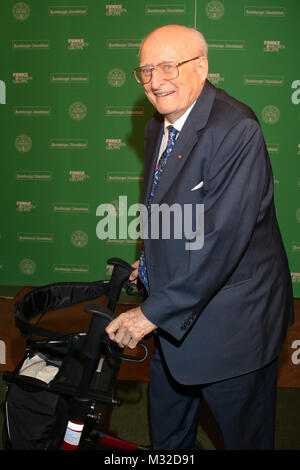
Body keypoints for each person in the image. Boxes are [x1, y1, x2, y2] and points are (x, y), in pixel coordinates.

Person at [106, 25, 294, 450]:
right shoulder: (159, 125)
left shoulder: (237, 129)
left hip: (233, 329)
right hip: (175, 324)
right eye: (146, 70)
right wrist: (151, 264)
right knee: (168, 444)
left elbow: (222, 240)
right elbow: (167, 210)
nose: (155, 81)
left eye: (168, 66)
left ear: (201, 66)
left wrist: (149, 314)